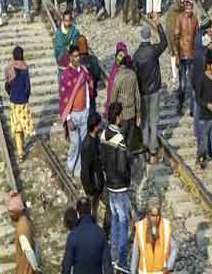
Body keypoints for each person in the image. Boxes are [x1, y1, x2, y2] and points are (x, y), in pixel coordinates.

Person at [101, 101, 132, 273]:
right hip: (120, 186)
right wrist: (127, 180)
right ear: (118, 116)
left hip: (110, 184)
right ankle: (121, 259)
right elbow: (122, 166)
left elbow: (102, 158)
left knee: (114, 218)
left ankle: (113, 256)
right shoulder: (119, 138)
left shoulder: (104, 133)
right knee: (123, 220)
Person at [133, 14, 168, 162]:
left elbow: (135, 77)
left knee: (145, 121)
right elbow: (165, 42)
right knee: (154, 121)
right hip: (154, 91)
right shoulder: (153, 51)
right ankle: (153, 150)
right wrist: (158, 25)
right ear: (149, 37)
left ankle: (146, 146)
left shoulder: (136, 56)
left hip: (143, 92)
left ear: (141, 37)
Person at [59, 45, 94, 179]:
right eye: (74, 56)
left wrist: (88, 108)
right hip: (73, 115)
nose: (77, 58)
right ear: (70, 58)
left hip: (84, 112)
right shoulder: (66, 75)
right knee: (75, 143)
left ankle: (79, 170)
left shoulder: (84, 72)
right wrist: (68, 119)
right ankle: (69, 166)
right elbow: (63, 99)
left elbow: (87, 90)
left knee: (84, 142)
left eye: (78, 56)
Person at [60, 197, 108, 274]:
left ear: (78, 213)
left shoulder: (73, 236)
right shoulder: (101, 233)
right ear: (90, 211)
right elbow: (107, 264)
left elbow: (67, 266)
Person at [130, 197, 176, 274]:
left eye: (157, 215)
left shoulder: (166, 226)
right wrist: (133, 271)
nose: (155, 218)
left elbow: (174, 248)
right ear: (148, 214)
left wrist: (169, 266)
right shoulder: (140, 227)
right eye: (153, 216)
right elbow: (135, 253)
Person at [5, 46, 33, 162]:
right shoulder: (25, 69)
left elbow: (7, 85)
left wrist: (11, 94)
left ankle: (20, 152)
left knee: (17, 128)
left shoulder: (10, 68)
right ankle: (21, 148)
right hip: (23, 102)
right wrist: (25, 97)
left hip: (14, 102)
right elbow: (28, 87)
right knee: (23, 125)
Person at [196, 48, 212, 169]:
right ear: (208, 65)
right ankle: (201, 158)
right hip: (204, 117)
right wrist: (207, 105)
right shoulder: (201, 79)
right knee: (204, 143)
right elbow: (198, 98)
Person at [4, 191, 39, 274]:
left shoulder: (22, 228)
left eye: (11, 212)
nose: (10, 215)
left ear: (18, 212)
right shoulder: (25, 221)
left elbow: (28, 251)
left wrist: (36, 268)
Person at [79, 113, 104, 205]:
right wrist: (90, 190)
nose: (101, 125)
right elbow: (85, 170)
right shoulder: (87, 145)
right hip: (93, 184)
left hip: (98, 179)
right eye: (99, 124)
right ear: (95, 126)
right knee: (93, 206)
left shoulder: (95, 138)